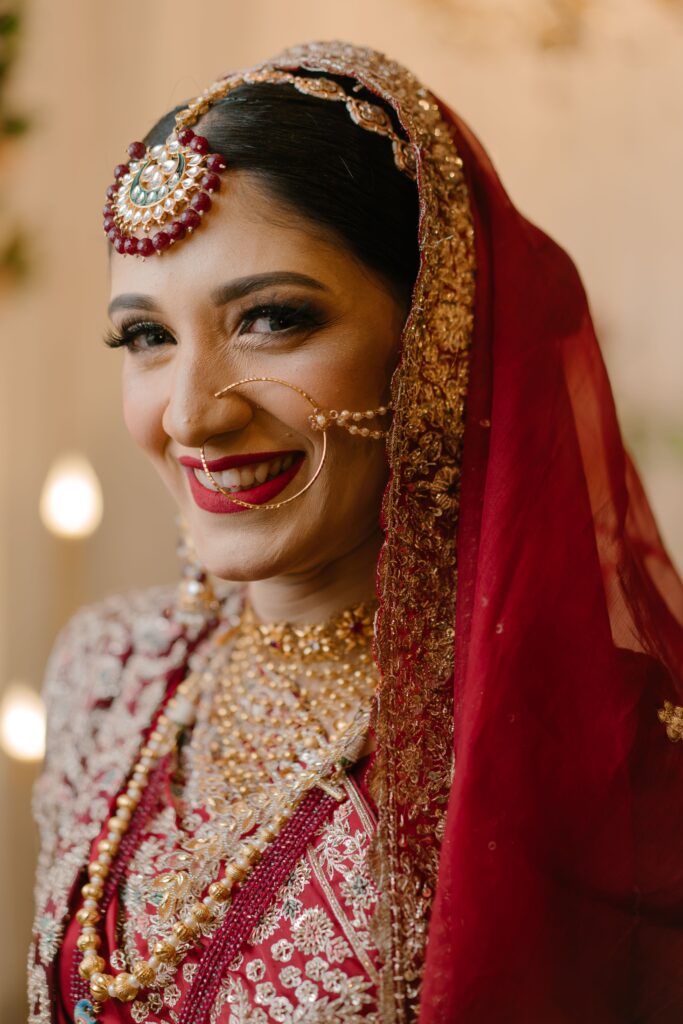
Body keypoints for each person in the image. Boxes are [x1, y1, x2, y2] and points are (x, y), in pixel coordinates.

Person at [27, 39, 683, 1024]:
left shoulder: (591, 743)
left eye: (272, 320)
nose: (191, 416)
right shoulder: (106, 669)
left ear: (433, 343)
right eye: (146, 337)